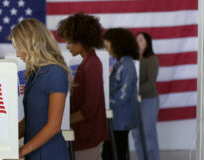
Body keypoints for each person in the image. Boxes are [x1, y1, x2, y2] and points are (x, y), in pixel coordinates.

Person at [10, 18, 70, 160]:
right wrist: (5, 141)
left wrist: (22, 151)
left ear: (32, 45)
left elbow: (53, 126)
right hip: (33, 151)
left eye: (20, 48)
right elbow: (29, 120)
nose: (18, 54)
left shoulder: (55, 73)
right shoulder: (36, 73)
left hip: (49, 153)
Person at [57, 13, 109, 160]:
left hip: (88, 135)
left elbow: (89, 109)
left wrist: (61, 122)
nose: (67, 46)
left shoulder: (91, 65)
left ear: (82, 40)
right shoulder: (88, 62)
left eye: (70, 42)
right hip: (85, 134)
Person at [101, 28, 140, 160]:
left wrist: (105, 102)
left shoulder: (127, 64)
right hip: (116, 117)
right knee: (110, 152)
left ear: (117, 45)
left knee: (114, 153)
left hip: (121, 118)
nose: (106, 50)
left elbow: (124, 94)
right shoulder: (120, 63)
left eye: (107, 46)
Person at [132, 32, 160, 160]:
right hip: (134, 102)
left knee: (149, 134)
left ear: (147, 43)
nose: (138, 42)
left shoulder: (152, 59)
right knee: (137, 135)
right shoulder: (133, 59)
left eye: (141, 40)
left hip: (148, 100)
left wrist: (134, 91)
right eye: (137, 40)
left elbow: (151, 82)